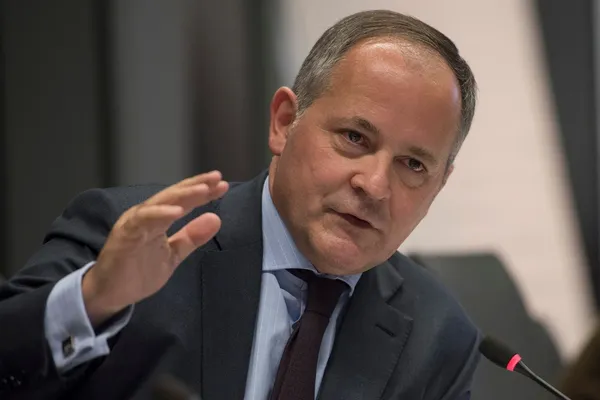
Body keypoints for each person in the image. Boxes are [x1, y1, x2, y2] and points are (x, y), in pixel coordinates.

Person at [0, 9, 480, 400]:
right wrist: (93, 301)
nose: (374, 185)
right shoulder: (138, 235)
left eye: (413, 165)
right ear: (284, 121)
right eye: (355, 137)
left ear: (439, 185)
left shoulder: (438, 337)